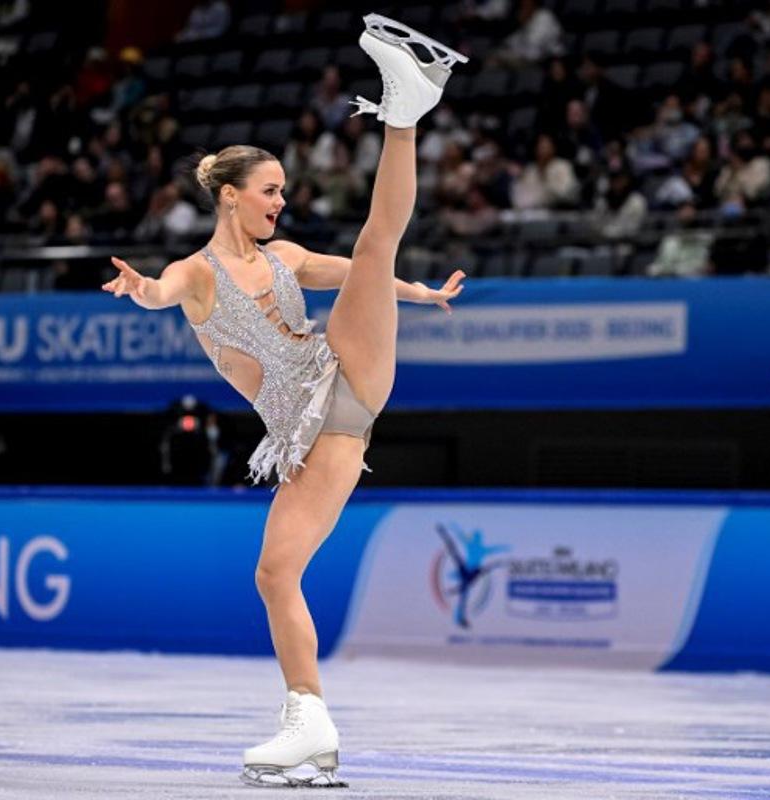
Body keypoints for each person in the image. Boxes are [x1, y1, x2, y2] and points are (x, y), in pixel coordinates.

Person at [102, 13, 467, 788]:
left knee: (374, 250)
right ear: (230, 198)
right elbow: (164, 291)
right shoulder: (199, 272)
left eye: (284, 192)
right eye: (270, 192)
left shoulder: (288, 256)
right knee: (274, 574)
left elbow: (361, 277)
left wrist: (418, 293)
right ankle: (310, 723)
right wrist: (139, 290)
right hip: (313, 429)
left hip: (341, 381)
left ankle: (404, 112)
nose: (281, 202)